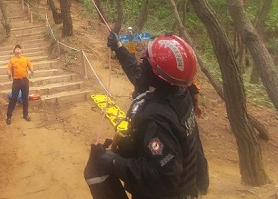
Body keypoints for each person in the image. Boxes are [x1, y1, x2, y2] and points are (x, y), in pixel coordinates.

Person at [84, 33, 209, 199]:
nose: (141, 63)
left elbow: (164, 178)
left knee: (96, 167)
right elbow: (134, 70)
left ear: (156, 73)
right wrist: (118, 47)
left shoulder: (157, 118)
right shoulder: (178, 94)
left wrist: (114, 162)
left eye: (146, 61)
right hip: (187, 188)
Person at [6, 44, 34, 125]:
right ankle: (9, 116)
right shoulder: (12, 60)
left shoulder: (25, 59)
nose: (18, 49)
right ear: (14, 51)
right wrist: (9, 73)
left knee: (25, 98)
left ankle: (25, 115)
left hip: (25, 80)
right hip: (16, 81)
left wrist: (31, 70)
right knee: (14, 98)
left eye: (19, 48)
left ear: (21, 50)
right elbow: (9, 69)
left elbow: (30, 65)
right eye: (16, 48)